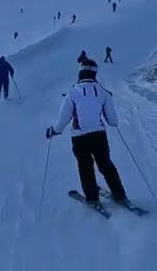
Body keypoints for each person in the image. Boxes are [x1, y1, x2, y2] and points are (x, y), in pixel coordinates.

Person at [44, 63, 129, 207]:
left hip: (79, 137)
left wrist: (54, 131)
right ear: (94, 75)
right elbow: (113, 121)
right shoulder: (103, 93)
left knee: (85, 167)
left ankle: (92, 198)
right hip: (99, 135)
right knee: (106, 164)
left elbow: (63, 120)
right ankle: (119, 195)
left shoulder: (72, 93)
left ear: (80, 74)